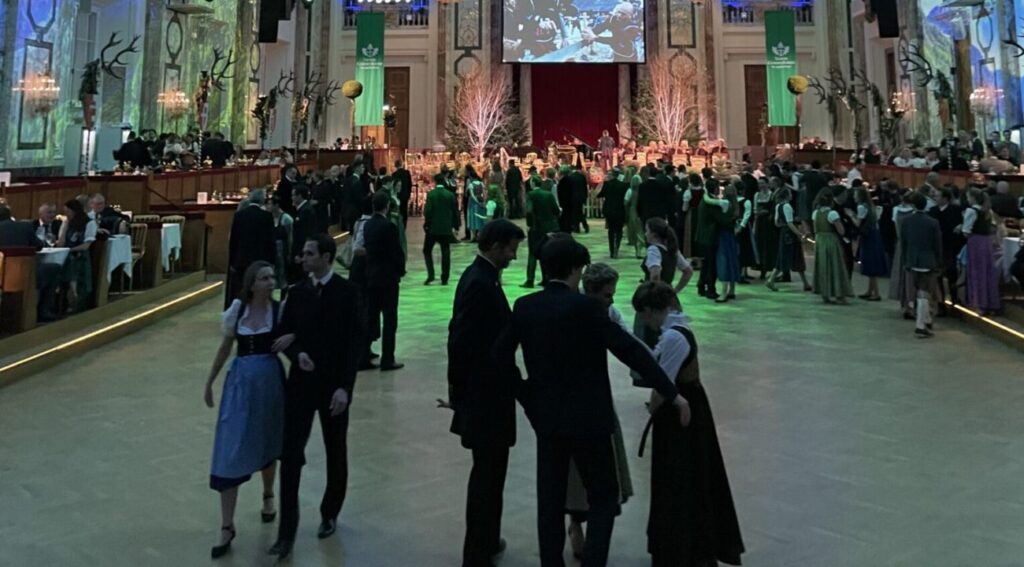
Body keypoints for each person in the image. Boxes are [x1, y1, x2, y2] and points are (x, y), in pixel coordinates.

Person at [492, 236, 692, 567]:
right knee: (603, 497)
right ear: (574, 270)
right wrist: (672, 393)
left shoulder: (525, 306)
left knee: (550, 500)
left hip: (548, 420)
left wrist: (528, 397)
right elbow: (628, 350)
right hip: (590, 419)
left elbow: (499, 358)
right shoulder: (586, 308)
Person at [632, 281, 745, 567]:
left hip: (679, 417)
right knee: (690, 475)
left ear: (651, 310)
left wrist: (654, 407)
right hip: (689, 408)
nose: (644, 321)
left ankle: (683, 548)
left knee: (680, 478)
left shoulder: (673, 337)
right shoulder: (676, 332)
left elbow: (663, 383)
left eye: (643, 314)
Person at [269, 235, 364, 560]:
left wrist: (345, 388)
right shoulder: (297, 293)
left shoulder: (347, 292)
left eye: (310, 253)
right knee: (290, 456)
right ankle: (286, 532)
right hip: (301, 386)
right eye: (304, 253)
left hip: (333, 387)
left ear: (326, 257)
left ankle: (330, 512)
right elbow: (284, 334)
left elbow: (354, 343)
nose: (303, 258)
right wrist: (297, 354)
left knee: (336, 450)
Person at [442, 219, 525, 567]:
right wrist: (459, 392)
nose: (514, 256)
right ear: (494, 246)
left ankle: (488, 539)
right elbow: (461, 340)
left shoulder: (481, 276)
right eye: (511, 249)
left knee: (491, 473)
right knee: (487, 476)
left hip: (485, 393)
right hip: (485, 396)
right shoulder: (480, 282)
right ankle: (477, 552)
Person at [204, 261, 289, 559]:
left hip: (270, 384)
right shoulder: (238, 311)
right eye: (265, 278)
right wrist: (210, 381)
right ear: (252, 284)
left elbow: (297, 338)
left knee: (268, 440)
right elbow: (225, 347)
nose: (271, 282)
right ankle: (226, 525)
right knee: (231, 445)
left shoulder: (278, 311)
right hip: (240, 384)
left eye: (272, 277)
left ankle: (268, 494)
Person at [564, 263, 635, 559]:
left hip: (596, 398)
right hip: (574, 401)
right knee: (576, 473)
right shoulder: (573, 312)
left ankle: (589, 532)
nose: (612, 300)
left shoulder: (608, 313)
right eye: (608, 294)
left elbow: (629, 341)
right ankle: (576, 525)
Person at [363, 191, 406, 371]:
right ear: (387, 206)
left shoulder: (367, 225)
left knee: (370, 317)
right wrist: (400, 270)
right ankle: (387, 359)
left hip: (372, 276)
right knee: (389, 320)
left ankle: (363, 356)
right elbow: (396, 252)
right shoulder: (389, 226)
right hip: (388, 278)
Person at [900, 193, 943, 337]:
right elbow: (937, 245)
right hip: (928, 260)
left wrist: (905, 260)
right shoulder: (933, 222)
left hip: (912, 259)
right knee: (925, 290)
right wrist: (939, 262)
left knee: (918, 289)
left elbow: (903, 242)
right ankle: (921, 324)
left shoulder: (906, 221)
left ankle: (926, 319)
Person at [226, 188, 276, 308]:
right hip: (260, 259)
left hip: (242, 259)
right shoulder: (267, 216)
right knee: (260, 288)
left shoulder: (239, 215)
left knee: (242, 288)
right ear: (262, 200)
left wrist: (232, 261)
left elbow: (234, 240)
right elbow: (270, 241)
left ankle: (242, 309)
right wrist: (272, 261)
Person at [960, 189, 1001, 315]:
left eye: (968, 197)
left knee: (976, 271)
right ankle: (990, 302)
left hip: (975, 242)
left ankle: (978, 302)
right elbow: (993, 227)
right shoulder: (988, 211)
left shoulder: (971, 211)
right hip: (986, 242)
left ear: (973, 198)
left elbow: (966, 231)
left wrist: (961, 227)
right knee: (987, 271)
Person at [765, 186, 811, 292]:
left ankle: (772, 279)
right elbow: (790, 223)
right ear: (787, 195)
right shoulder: (787, 206)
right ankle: (771, 280)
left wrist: (783, 225)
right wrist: (799, 234)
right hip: (790, 235)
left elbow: (777, 222)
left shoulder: (778, 206)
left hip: (783, 234)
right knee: (796, 258)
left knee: (782, 257)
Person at [811, 191, 853, 304]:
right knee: (835, 266)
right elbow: (841, 231)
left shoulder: (815, 213)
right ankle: (839, 295)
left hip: (820, 241)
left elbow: (815, 229)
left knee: (823, 267)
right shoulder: (833, 214)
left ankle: (825, 294)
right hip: (831, 241)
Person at [57, 199, 97, 312]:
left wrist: (70, 250)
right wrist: (65, 226)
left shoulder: (89, 223)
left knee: (72, 261)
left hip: (80, 255)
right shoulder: (67, 223)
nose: (66, 215)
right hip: (66, 254)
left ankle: (74, 293)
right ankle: (69, 291)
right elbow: (60, 244)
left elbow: (86, 246)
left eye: (68, 212)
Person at [523, 172, 561, 288]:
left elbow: (529, 211)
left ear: (533, 183)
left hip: (536, 227)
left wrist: (529, 224)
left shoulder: (530, 195)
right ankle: (546, 278)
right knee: (546, 252)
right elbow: (556, 210)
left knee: (532, 253)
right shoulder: (548, 194)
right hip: (549, 228)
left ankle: (530, 280)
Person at [850, 187, 888, 300]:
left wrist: (851, 215)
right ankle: (870, 290)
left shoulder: (861, 207)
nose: (854, 197)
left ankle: (876, 293)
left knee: (870, 263)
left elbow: (858, 223)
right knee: (872, 261)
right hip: (873, 235)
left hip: (868, 237)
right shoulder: (870, 206)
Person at [928, 186, 963, 308]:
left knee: (952, 272)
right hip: (937, 246)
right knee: (938, 275)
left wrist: (961, 225)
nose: (935, 198)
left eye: (938, 196)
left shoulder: (956, 210)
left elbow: (963, 222)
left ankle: (954, 298)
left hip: (951, 246)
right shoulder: (932, 211)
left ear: (945, 198)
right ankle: (940, 302)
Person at [423, 172, 461, 285]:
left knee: (427, 250)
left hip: (433, 228)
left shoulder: (431, 194)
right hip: (446, 228)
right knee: (445, 251)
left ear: (435, 182)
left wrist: (427, 224)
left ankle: (431, 275)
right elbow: (455, 211)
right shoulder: (450, 195)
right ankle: (445, 277)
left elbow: (428, 211)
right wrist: (456, 225)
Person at [695, 178, 728, 300]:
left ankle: (701, 286)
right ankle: (710, 289)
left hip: (702, 236)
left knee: (706, 263)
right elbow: (722, 219)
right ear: (715, 189)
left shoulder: (705, 200)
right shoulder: (712, 203)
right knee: (711, 265)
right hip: (710, 237)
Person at [597, 168, 628, 258]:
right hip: (619, 210)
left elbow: (600, 195)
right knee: (619, 230)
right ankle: (617, 247)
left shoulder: (607, 184)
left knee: (611, 230)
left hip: (609, 210)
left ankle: (611, 250)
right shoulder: (623, 185)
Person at [289, 185, 317, 285]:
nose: (292, 198)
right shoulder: (302, 210)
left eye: (293, 195)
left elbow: (304, 234)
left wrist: (300, 254)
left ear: (299, 196)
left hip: (300, 252)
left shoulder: (306, 211)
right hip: (299, 250)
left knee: (300, 279)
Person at [266, 195, 294, 290]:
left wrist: (290, 252)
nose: (268, 207)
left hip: (282, 248)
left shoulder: (286, 218)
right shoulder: (268, 217)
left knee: (282, 272)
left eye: (270, 204)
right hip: (271, 248)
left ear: (276, 205)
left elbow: (290, 237)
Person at [624, 171, 645, 258]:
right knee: (641, 230)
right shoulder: (643, 191)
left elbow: (625, 202)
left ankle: (638, 251)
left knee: (635, 231)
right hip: (642, 212)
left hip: (633, 212)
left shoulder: (629, 191)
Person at [393, 159, 413, 228]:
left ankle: (398, 224)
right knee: (404, 210)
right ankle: (404, 225)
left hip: (398, 195)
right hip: (405, 195)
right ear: (402, 164)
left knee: (398, 210)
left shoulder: (394, 174)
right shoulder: (407, 173)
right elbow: (410, 184)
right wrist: (409, 193)